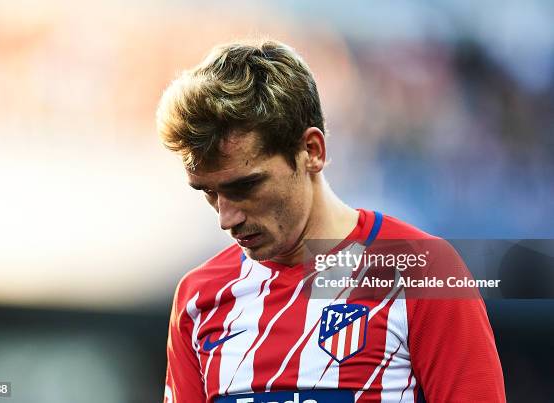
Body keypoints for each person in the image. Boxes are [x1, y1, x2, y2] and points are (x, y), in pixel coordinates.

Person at [156, 40, 505, 403]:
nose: (226, 218)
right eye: (208, 192)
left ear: (311, 151)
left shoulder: (422, 271)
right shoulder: (198, 297)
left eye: (245, 186)